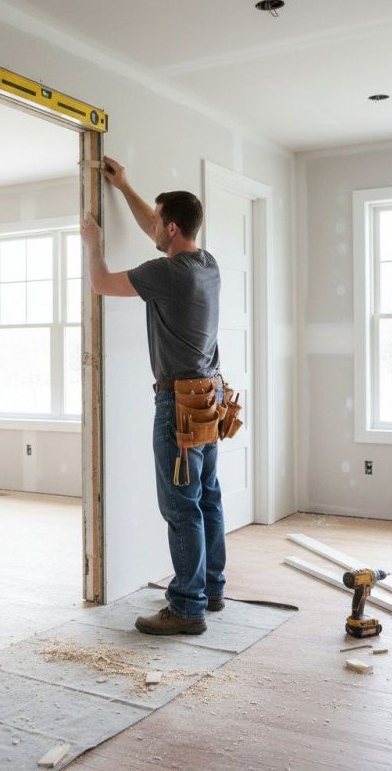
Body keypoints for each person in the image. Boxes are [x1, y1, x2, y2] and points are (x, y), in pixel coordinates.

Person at [79, 155, 226, 636]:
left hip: (178, 404)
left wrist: (93, 245)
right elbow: (154, 228)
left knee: (180, 506)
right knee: (206, 497)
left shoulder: (167, 273)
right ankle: (210, 589)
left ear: (173, 228)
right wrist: (124, 187)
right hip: (208, 396)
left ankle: (186, 608)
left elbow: (101, 283)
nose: (154, 227)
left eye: (160, 221)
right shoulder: (206, 264)